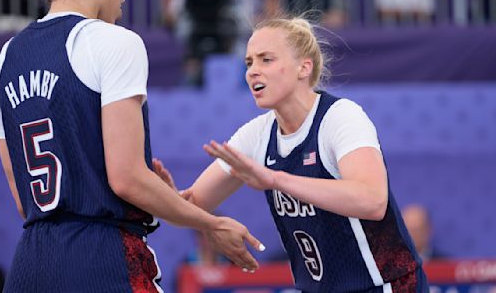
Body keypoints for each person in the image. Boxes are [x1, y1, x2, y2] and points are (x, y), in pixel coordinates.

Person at [0, 0, 264, 292]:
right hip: (99, 258)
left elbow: (24, 201)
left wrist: (162, 196)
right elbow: (126, 179)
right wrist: (212, 223)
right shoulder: (114, 42)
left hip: (31, 262)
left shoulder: (2, 63)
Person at [159, 15, 429, 292]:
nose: (252, 71)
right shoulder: (257, 135)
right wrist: (168, 201)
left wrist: (276, 180)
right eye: (249, 62)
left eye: (266, 59)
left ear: (304, 67)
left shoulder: (341, 117)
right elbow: (193, 204)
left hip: (385, 285)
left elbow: (372, 201)